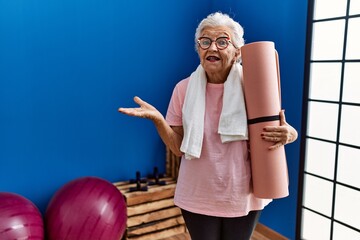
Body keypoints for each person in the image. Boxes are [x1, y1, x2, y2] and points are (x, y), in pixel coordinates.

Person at [118, 12, 298, 240]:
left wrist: (289, 134)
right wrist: (158, 120)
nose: (212, 47)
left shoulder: (252, 85)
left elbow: (279, 127)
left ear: (237, 52)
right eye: (205, 41)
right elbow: (178, 148)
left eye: (222, 41)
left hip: (242, 193)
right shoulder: (183, 89)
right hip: (197, 194)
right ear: (199, 48)